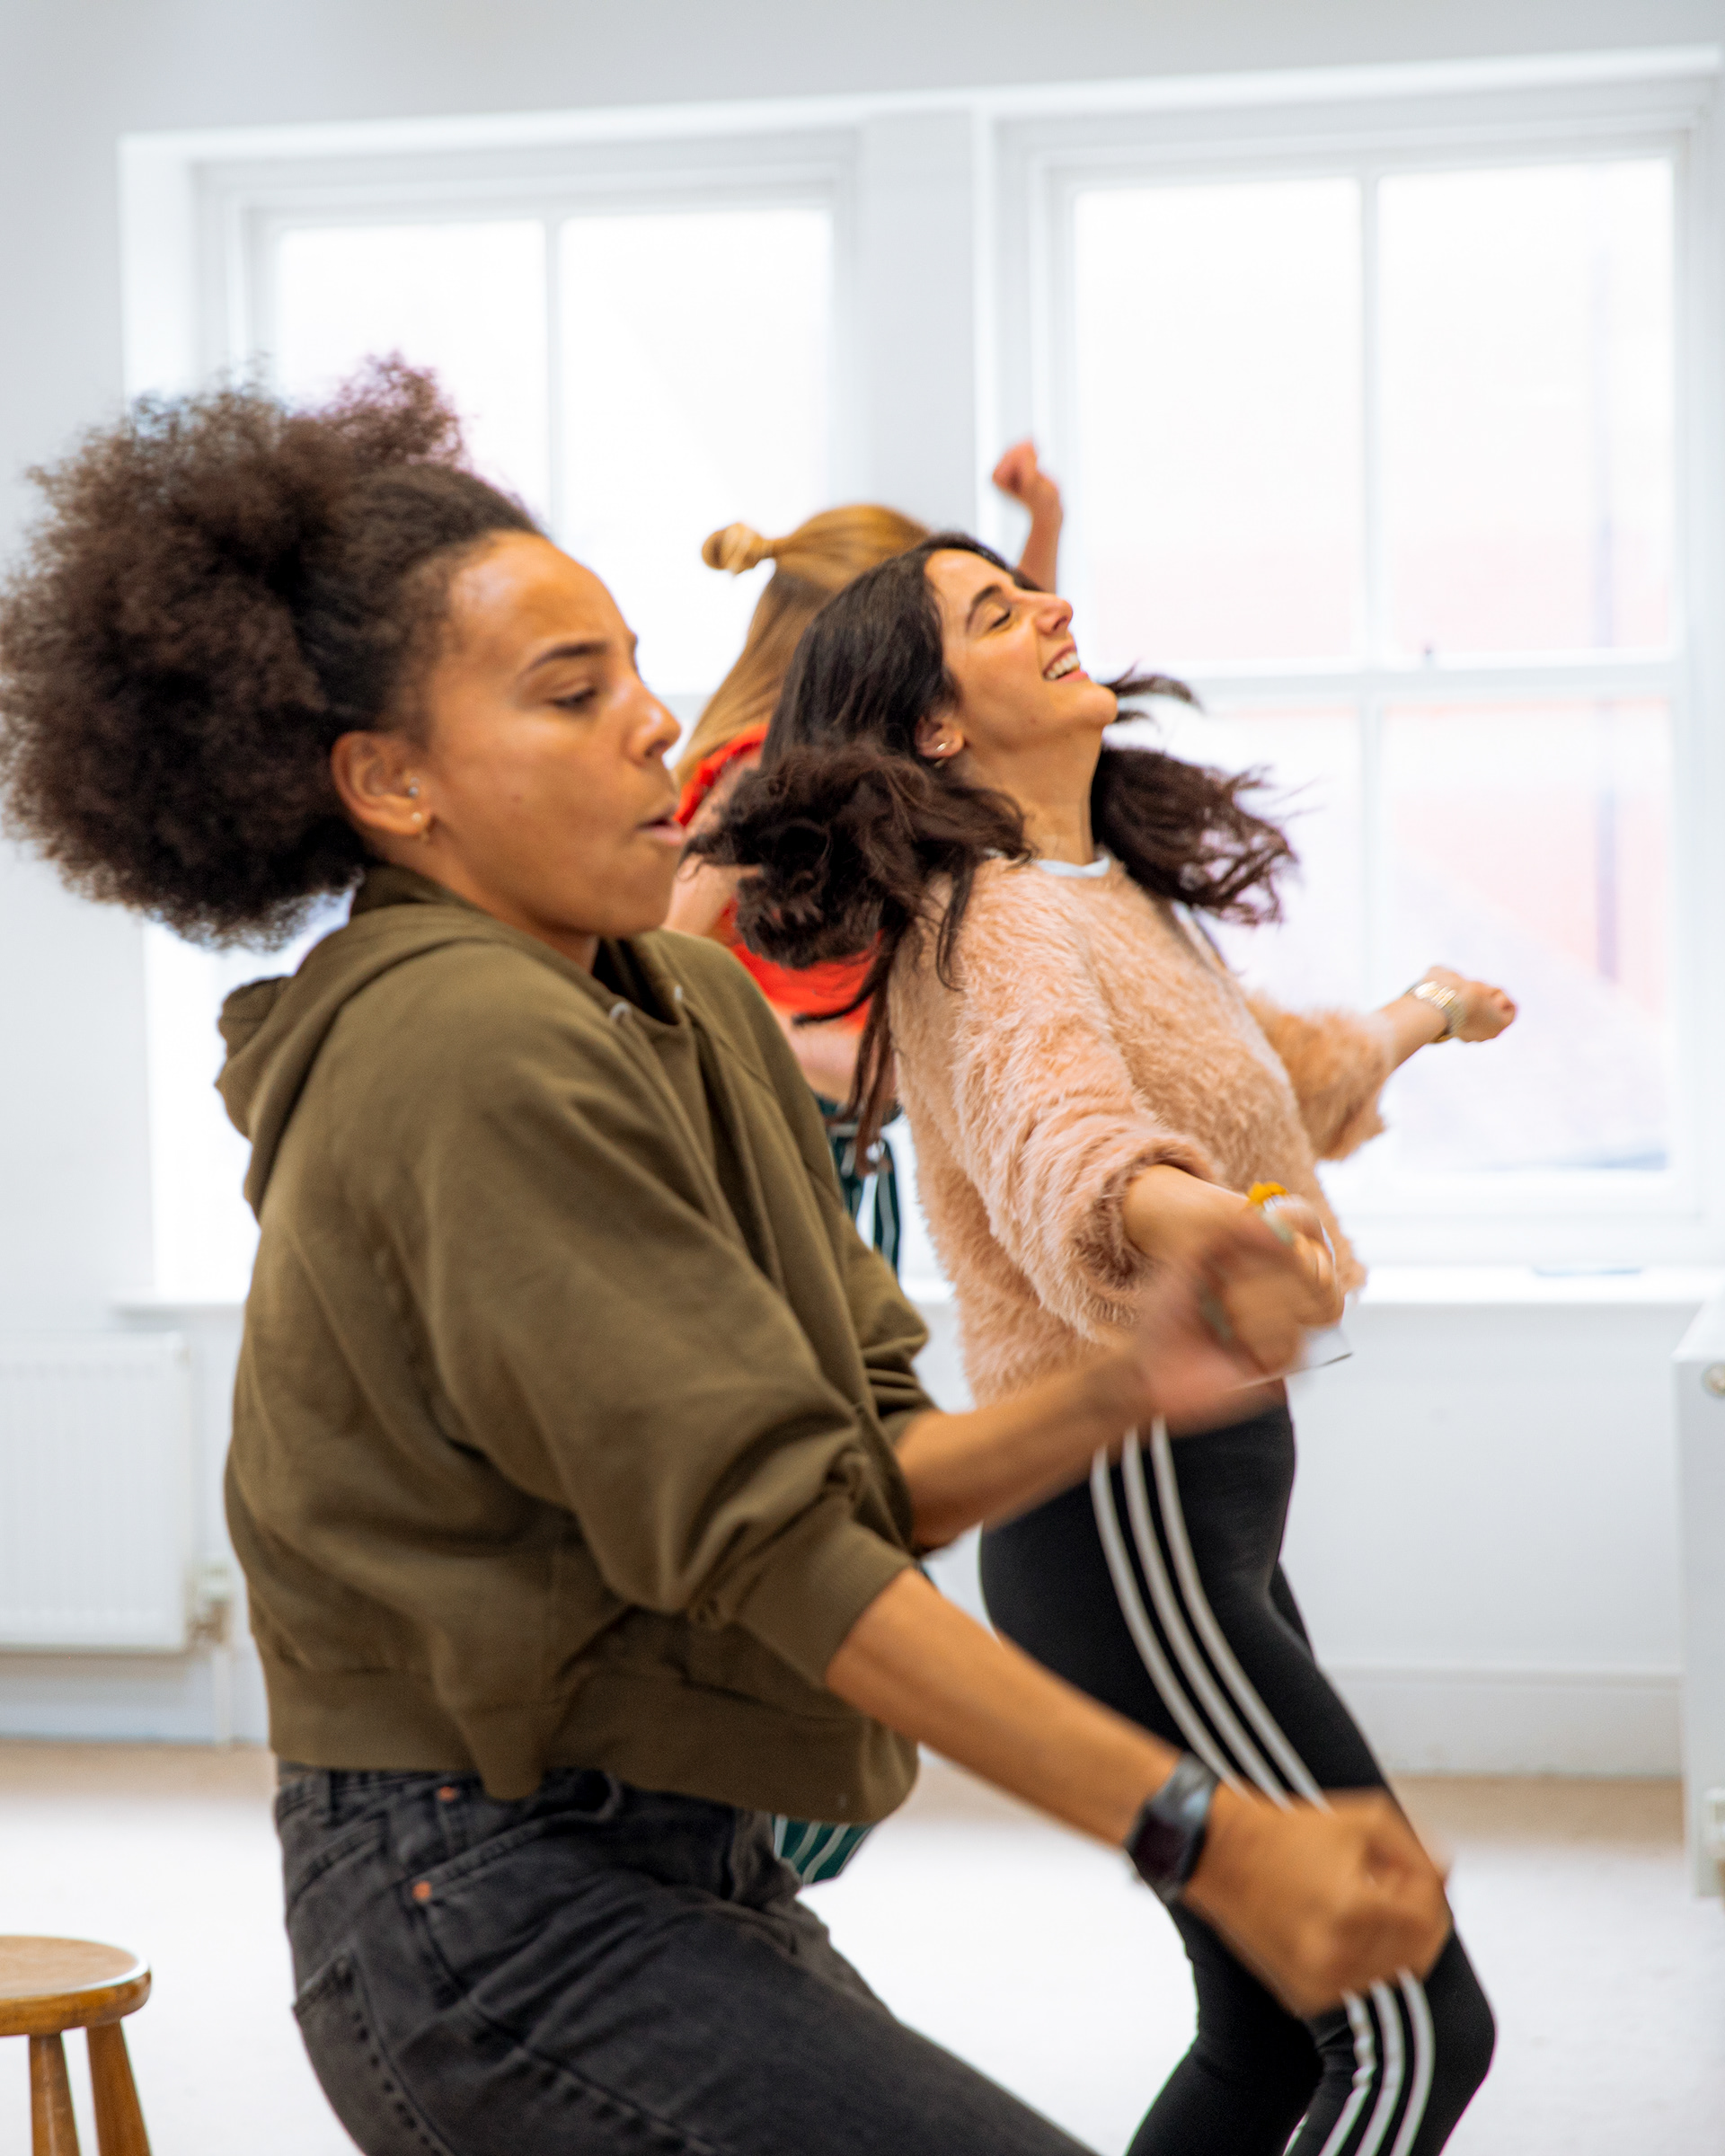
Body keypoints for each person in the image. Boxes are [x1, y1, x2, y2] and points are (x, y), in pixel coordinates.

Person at [0, 372, 1452, 2156]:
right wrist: (1206, 1832)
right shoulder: (451, 1045)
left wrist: (1139, 1376)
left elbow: (866, 1461)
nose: (661, 722)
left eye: (631, 668)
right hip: (477, 1901)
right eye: (570, 691)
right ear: (387, 782)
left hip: (688, 1859)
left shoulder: (683, 1001)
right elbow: (774, 1541)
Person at [702, 532, 1517, 2156]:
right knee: (1417, 2020)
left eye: (1029, 587)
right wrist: (1187, 1221)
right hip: (1124, 1510)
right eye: (996, 614)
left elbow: (1291, 1077)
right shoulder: (994, 922)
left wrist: (1426, 1008)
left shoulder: (1108, 897)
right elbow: (1063, 1139)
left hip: (1186, 1517)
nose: (1053, 608)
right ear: (937, 726)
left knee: (1278, 2035)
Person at [666, 444, 1066, 1266]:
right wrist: (807, 1048)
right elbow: (652, 952)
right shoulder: (760, 773)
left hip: (835, 1127)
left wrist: (1045, 524)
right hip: (780, 1123)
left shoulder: (843, 764)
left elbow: (1003, 664)